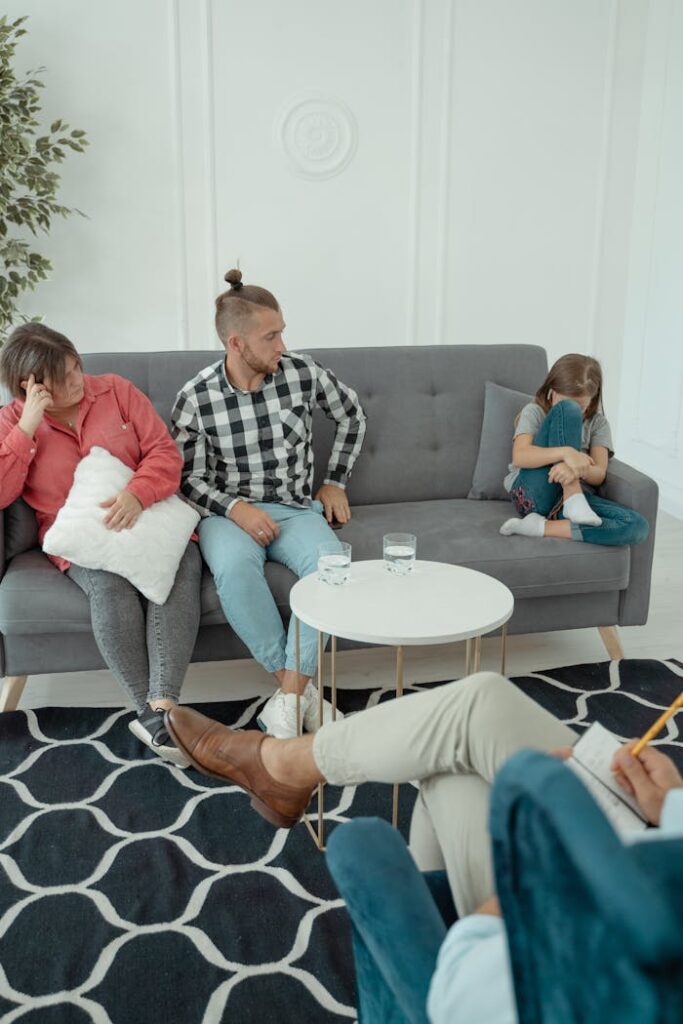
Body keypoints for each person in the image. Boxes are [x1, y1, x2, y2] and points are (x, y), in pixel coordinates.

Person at [163, 673, 683, 1023]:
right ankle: (280, 766)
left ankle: (278, 768)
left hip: (562, 939)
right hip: (647, 847)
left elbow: (464, 999)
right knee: (481, 702)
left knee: (449, 760)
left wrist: (532, 860)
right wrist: (673, 810)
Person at [171, 269, 366, 739]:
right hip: (226, 515)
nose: (282, 344)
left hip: (296, 508)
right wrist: (236, 510)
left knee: (333, 566)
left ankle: (289, 698)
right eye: (271, 335)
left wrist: (335, 481)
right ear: (236, 344)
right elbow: (187, 479)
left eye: (282, 331)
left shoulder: (303, 372)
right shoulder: (196, 398)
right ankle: (300, 693)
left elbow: (352, 416)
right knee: (236, 572)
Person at [0, 324, 202, 765]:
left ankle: (161, 709)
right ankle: (151, 715)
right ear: (29, 386)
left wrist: (138, 493)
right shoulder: (13, 422)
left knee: (179, 564)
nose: (78, 381)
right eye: (65, 377)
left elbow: (164, 454)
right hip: (80, 538)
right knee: (110, 585)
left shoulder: (116, 392)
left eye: (77, 367)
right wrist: (28, 429)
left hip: (148, 514)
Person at [499, 353, 649, 545]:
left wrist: (576, 469)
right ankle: (573, 496)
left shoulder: (598, 424)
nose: (579, 411)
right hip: (532, 494)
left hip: (574, 502)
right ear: (551, 392)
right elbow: (520, 456)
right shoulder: (534, 411)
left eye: (582, 406)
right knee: (566, 411)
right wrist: (568, 454)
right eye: (564, 400)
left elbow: (599, 474)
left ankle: (541, 527)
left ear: (592, 400)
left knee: (637, 525)